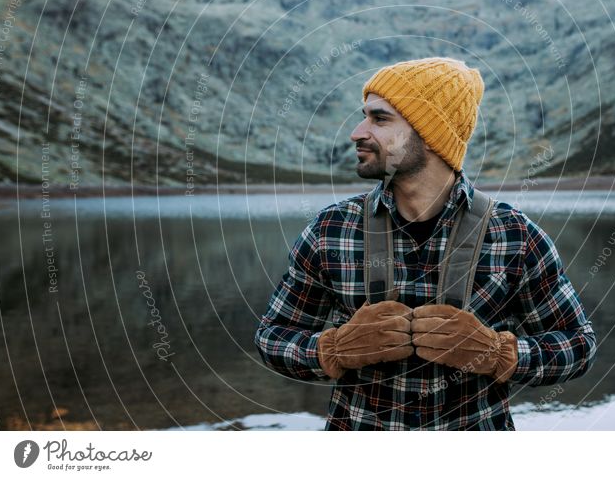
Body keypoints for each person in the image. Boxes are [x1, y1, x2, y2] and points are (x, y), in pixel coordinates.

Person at [254, 57, 596, 430]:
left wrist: (499, 354)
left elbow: (578, 346)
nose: (357, 132)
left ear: (429, 132)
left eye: (379, 119)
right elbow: (272, 337)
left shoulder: (516, 236)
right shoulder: (330, 230)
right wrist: (332, 350)